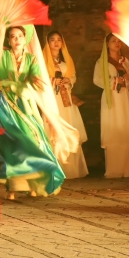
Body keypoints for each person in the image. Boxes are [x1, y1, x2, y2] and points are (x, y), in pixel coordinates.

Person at [0, 25, 66, 200]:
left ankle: (34, 184)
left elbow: (37, 80)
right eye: (12, 36)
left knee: (32, 141)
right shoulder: (2, 56)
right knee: (10, 143)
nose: (16, 39)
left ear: (25, 39)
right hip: (5, 103)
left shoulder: (32, 60)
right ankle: (12, 187)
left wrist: (28, 85)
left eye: (19, 36)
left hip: (25, 103)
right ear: (8, 40)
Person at [92, 33, 129, 178]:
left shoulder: (125, 61)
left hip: (124, 98)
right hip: (111, 97)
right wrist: (114, 82)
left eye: (119, 41)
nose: (116, 43)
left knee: (125, 127)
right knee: (113, 129)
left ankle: (128, 170)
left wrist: (127, 80)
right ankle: (113, 170)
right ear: (107, 44)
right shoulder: (102, 62)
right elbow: (97, 79)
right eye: (113, 41)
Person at [43, 31, 89, 178]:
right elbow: (37, 79)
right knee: (53, 131)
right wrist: (51, 81)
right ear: (47, 43)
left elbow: (73, 77)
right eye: (52, 40)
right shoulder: (41, 62)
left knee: (69, 127)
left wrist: (68, 81)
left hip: (66, 100)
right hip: (51, 99)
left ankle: (71, 169)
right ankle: (55, 169)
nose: (56, 43)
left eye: (58, 40)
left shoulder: (66, 62)